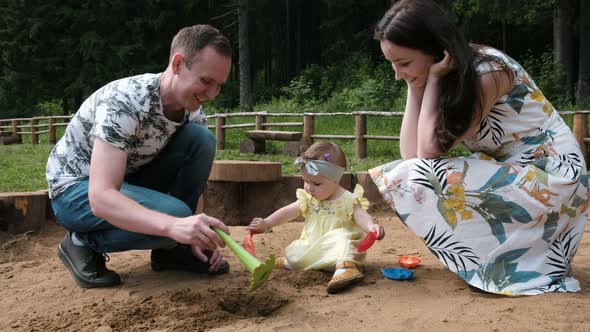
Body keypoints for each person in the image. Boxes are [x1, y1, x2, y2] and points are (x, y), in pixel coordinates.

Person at [370, 0, 588, 295]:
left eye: (404, 63)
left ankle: (518, 266)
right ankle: (503, 264)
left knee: (423, 175)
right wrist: (416, 84)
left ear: (436, 50)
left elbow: (428, 152)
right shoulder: (447, 75)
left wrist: (431, 80)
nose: (397, 73)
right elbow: (410, 154)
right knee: (407, 172)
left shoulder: (487, 72)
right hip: (519, 173)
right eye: (392, 64)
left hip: (556, 176)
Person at [46, 24, 233, 288]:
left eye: (218, 86)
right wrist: (172, 226)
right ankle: (81, 242)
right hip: (77, 191)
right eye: (206, 81)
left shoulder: (192, 111)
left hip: (127, 179)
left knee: (201, 139)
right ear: (178, 63)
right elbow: (101, 197)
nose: (212, 94)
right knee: (175, 216)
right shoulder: (125, 103)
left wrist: (193, 237)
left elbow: (194, 184)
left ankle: (174, 252)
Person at [247, 141, 385, 294]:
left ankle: (346, 269)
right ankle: (291, 263)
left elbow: (361, 216)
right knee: (299, 250)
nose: (309, 188)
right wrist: (267, 223)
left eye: (316, 184)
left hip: (338, 252)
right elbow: (288, 211)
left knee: (342, 238)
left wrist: (371, 226)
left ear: (335, 179)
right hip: (315, 248)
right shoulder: (308, 197)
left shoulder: (347, 199)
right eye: (305, 181)